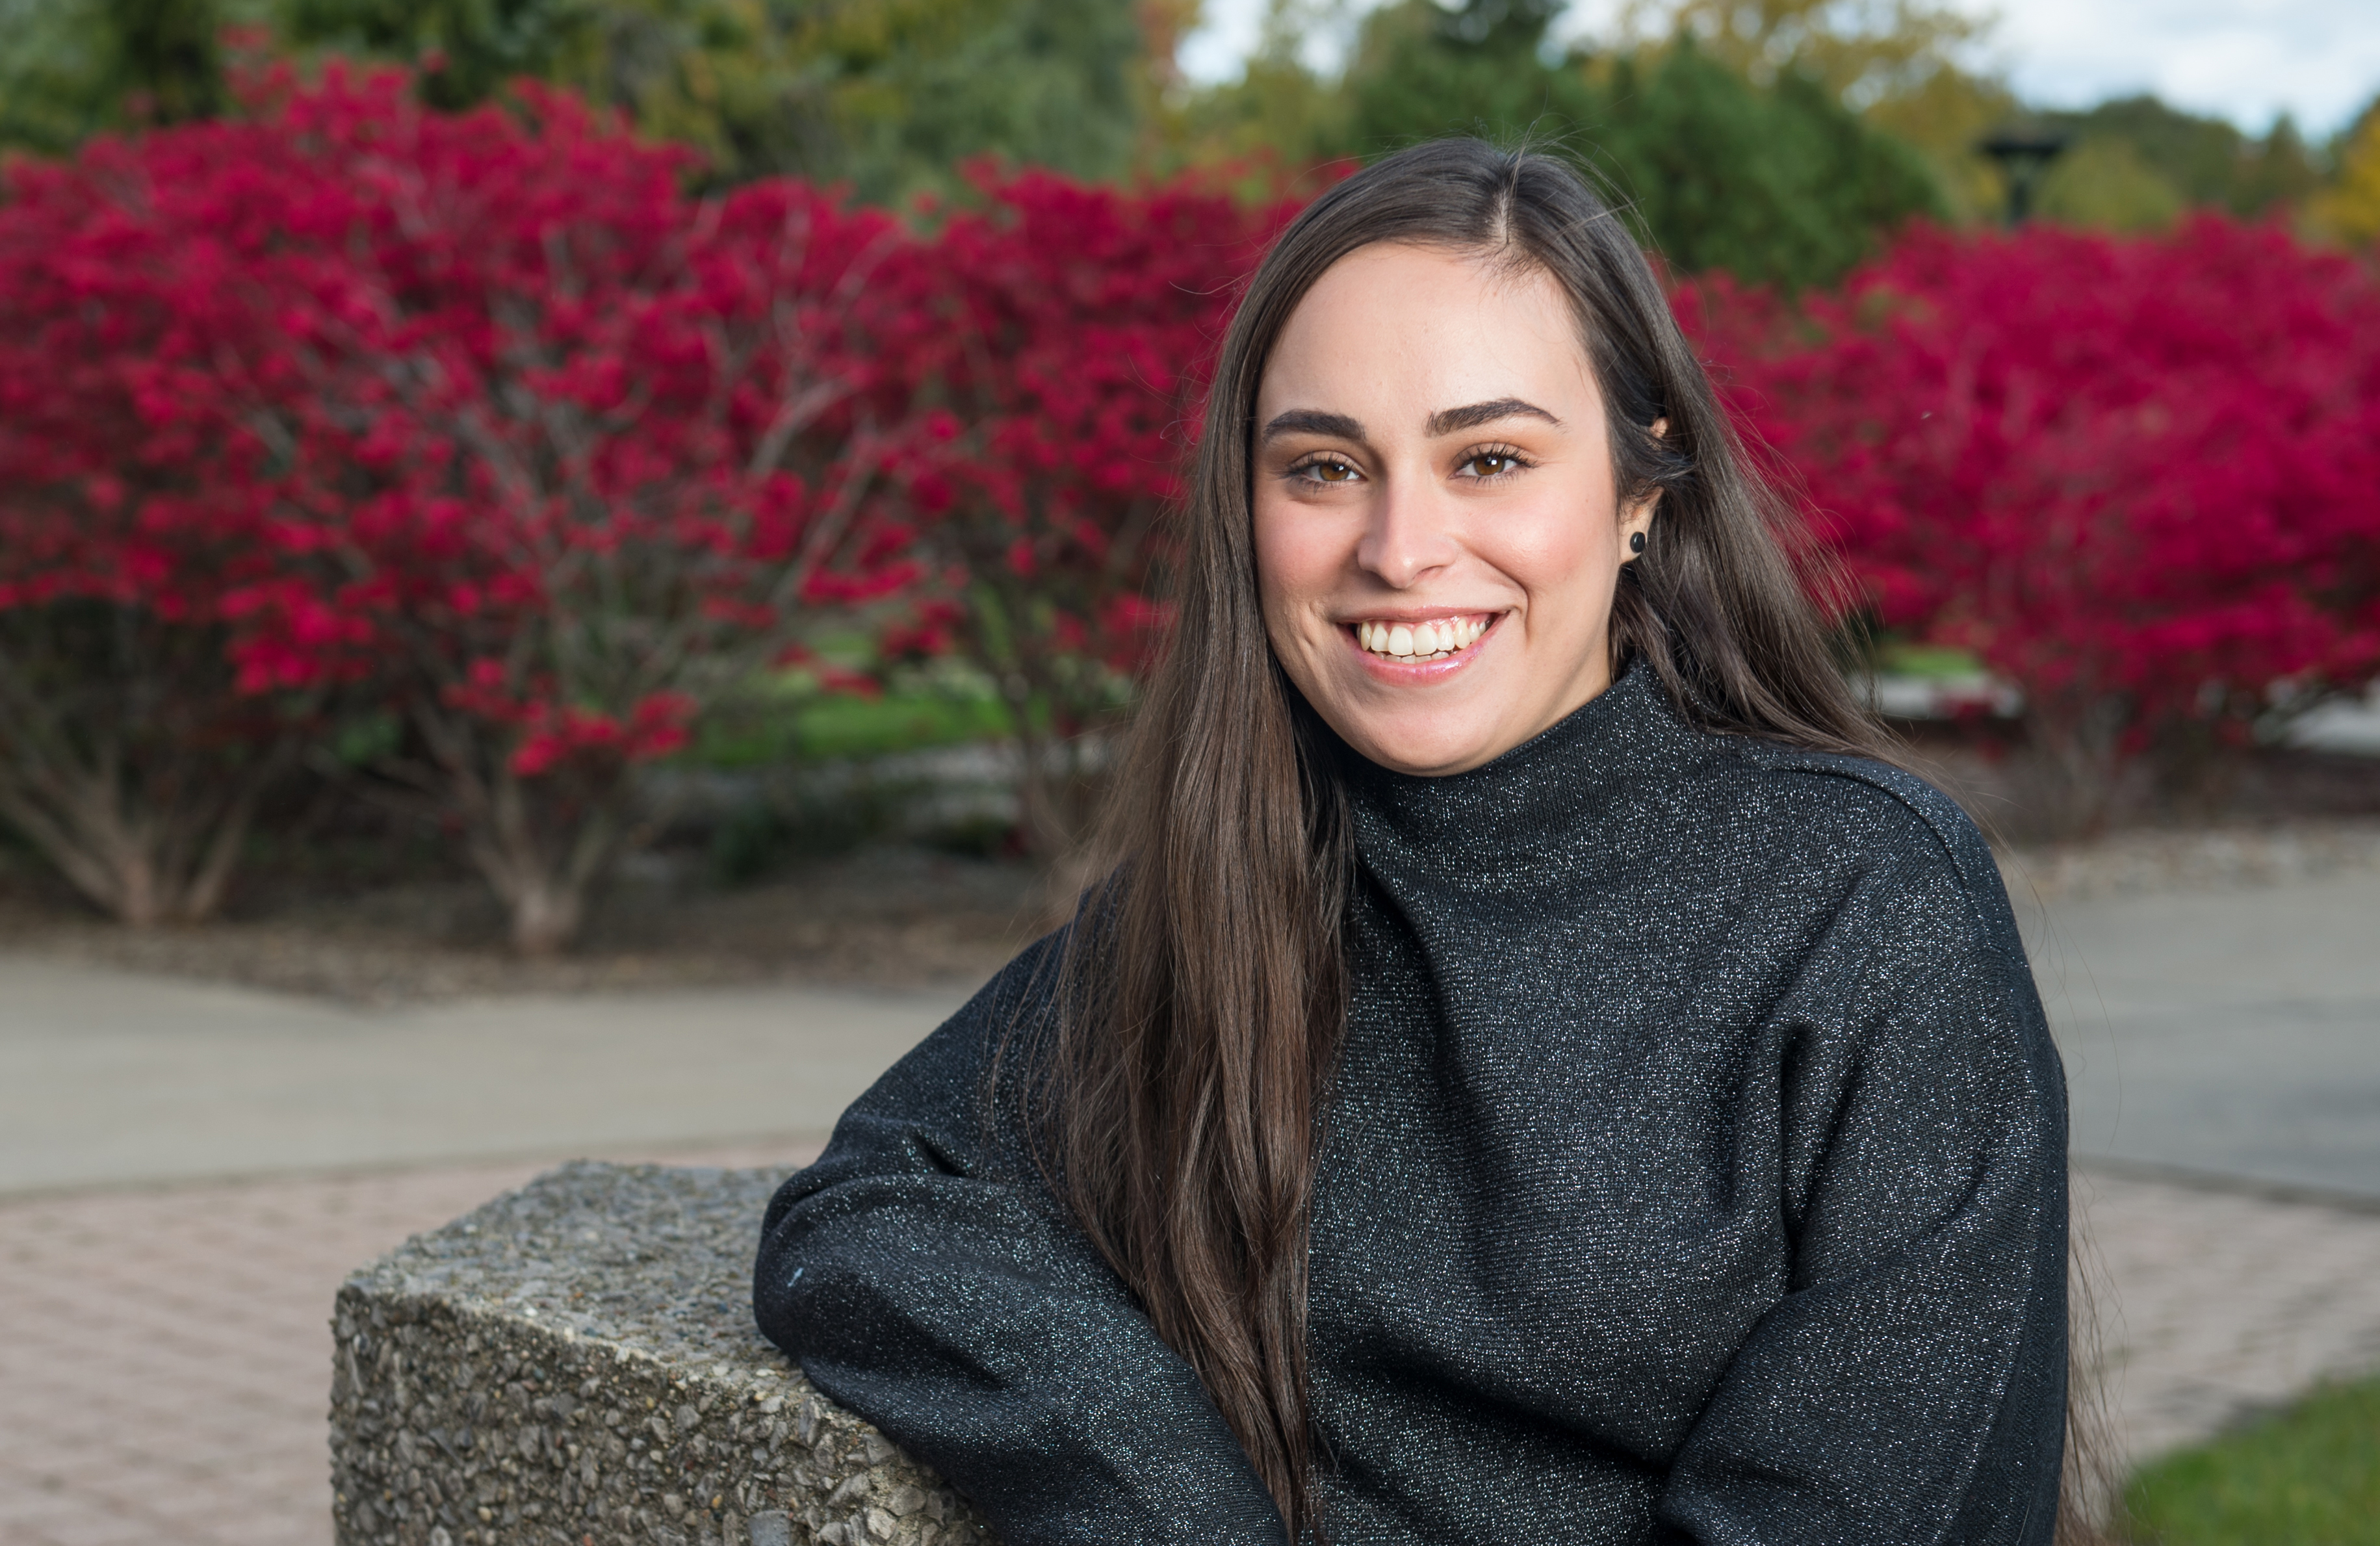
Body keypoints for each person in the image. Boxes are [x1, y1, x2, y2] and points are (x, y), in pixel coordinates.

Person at [754, 138, 2073, 1545]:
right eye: (1324, 467)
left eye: (1488, 457)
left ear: (1640, 492)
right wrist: (1176, 1504)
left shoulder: (1862, 904)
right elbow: (867, 1208)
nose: (1398, 547)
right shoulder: (1235, 880)